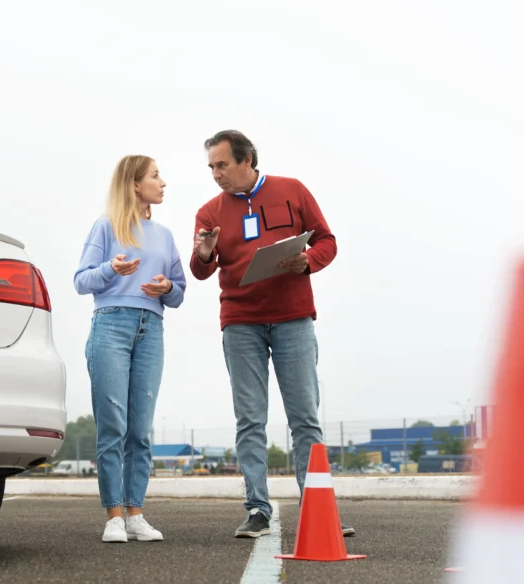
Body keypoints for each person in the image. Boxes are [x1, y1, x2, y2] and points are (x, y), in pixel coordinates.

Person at [188, 130, 355, 539]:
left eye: (222, 165)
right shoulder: (209, 212)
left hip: (294, 320)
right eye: (211, 167)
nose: (216, 174)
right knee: (250, 421)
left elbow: (327, 241)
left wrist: (308, 260)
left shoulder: (293, 190)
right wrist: (205, 253)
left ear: (247, 160)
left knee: (305, 420)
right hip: (240, 323)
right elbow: (199, 269)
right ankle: (257, 510)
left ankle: (318, 507)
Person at [74, 155, 187, 543]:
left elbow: (179, 292)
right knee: (113, 427)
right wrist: (111, 270)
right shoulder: (105, 227)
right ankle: (114, 517)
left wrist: (167, 288)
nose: (163, 182)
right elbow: (81, 280)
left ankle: (136, 513)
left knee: (140, 430)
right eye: (156, 176)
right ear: (135, 184)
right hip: (111, 325)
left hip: (150, 327)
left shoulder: (165, 235)